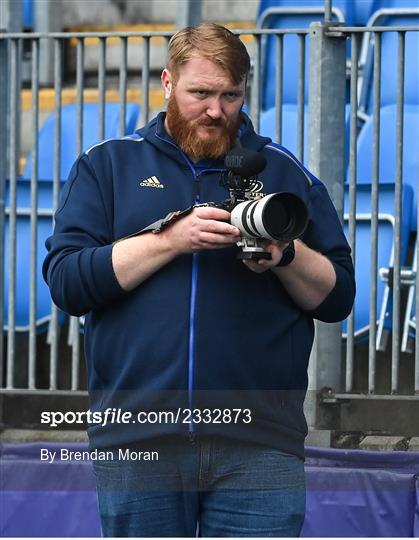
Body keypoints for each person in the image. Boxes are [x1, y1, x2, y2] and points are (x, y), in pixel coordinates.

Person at [43, 23, 355, 538]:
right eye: (201, 93)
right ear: (167, 83)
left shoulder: (283, 172)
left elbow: (338, 296)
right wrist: (170, 241)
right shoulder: (108, 164)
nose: (216, 110)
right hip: (137, 437)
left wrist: (285, 255)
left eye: (230, 95)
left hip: (260, 442)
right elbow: (67, 281)